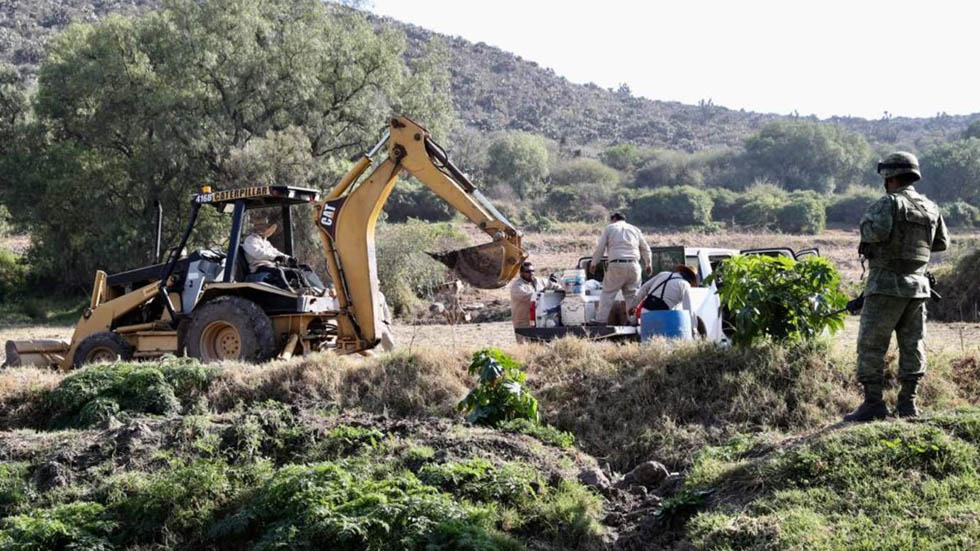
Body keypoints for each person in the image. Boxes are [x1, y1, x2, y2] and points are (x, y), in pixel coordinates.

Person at [844, 151, 949, 422]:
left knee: (871, 345)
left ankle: (873, 405)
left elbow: (873, 232)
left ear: (889, 177)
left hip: (885, 287)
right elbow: (941, 243)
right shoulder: (930, 207)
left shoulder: (889, 203)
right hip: (917, 288)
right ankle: (908, 404)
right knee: (913, 345)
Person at [589, 213, 652, 324]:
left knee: (608, 293)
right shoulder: (635, 229)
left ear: (614, 219)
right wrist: (648, 264)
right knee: (632, 296)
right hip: (634, 266)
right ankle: (634, 321)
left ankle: (601, 321)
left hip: (617, 265)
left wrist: (594, 263)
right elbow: (645, 248)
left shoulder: (610, 228)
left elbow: (600, 248)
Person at [242, 216, 324, 291]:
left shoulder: (266, 242)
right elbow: (257, 253)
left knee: (297, 271)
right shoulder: (250, 240)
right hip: (259, 267)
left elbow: (275, 252)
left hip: (271, 265)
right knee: (279, 272)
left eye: (265, 226)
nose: (264, 229)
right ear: (257, 228)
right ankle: (288, 290)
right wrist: (274, 258)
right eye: (262, 226)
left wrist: (288, 258)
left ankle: (310, 289)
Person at [509, 261, 562, 341]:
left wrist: (563, 290)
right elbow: (530, 297)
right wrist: (542, 293)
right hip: (523, 321)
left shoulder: (539, 281)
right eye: (528, 271)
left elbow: (555, 286)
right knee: (524, 343)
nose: (531, 273)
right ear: (521, 273)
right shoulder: (517, 286)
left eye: (533, 271)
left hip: (539, 319)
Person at [631, 265, 698, 320]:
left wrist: (634, 306)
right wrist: (694, 329)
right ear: (691, 279)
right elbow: (689, 308)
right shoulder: (685, 285)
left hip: (645, 312)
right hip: (663, 316)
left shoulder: (663, 274)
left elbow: (644, 288)